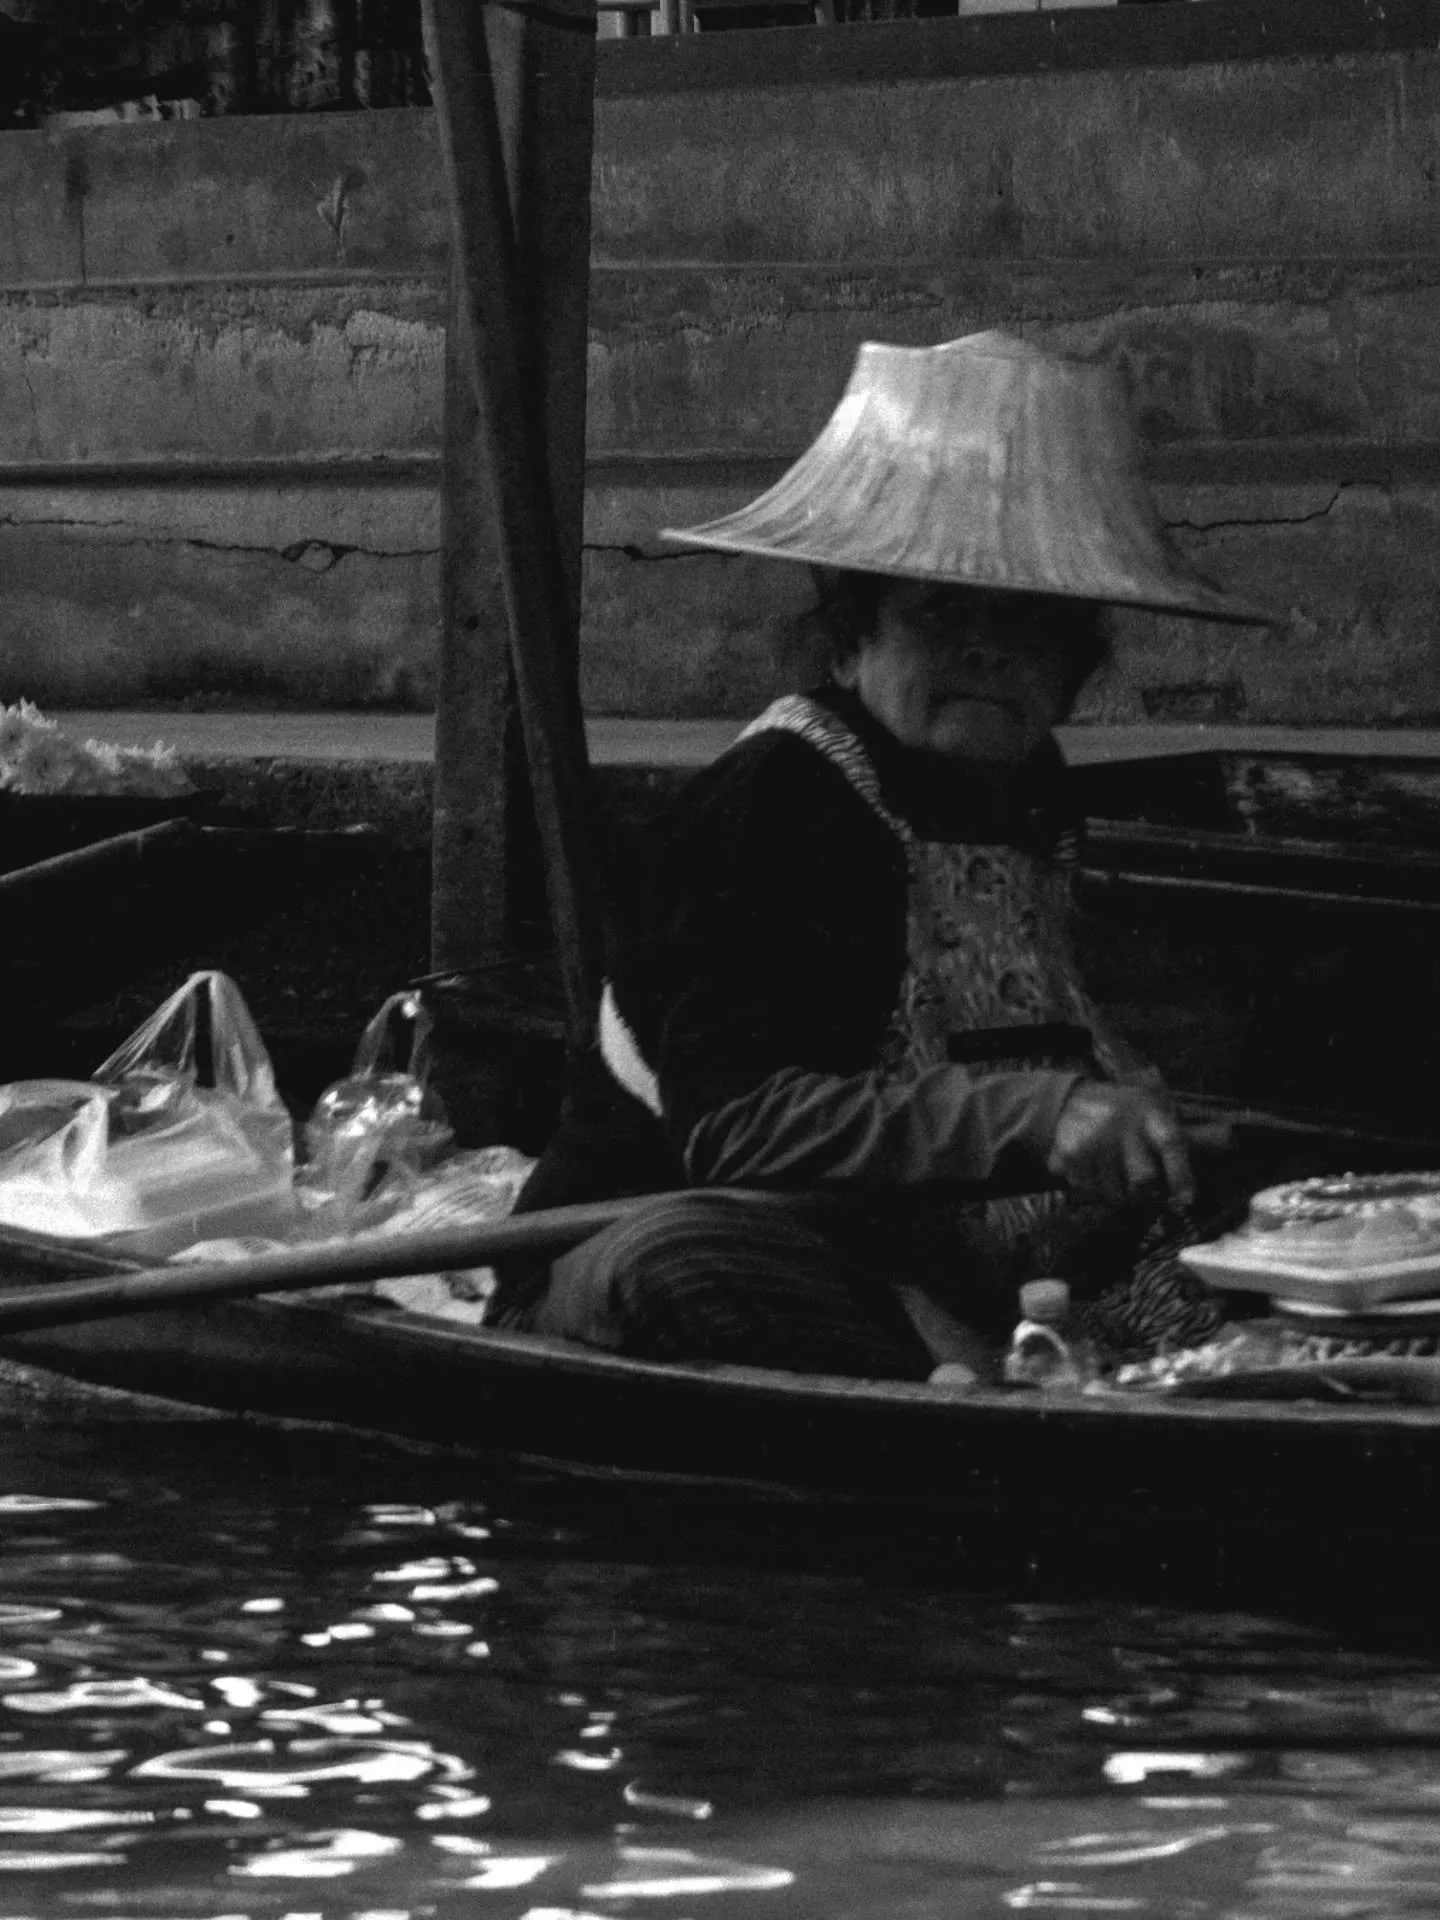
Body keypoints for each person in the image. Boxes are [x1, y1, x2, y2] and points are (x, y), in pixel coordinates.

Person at [488, 332, 1268, 1379]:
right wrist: (1040, 1119)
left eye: (1027, 621)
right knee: (682, 1260)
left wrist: (1145, 1144)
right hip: (665, 1249)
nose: (985, 650)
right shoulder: (780, 800)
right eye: (942, 613)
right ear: (853, 637)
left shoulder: (1032, 797)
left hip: (938, 1264)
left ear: (1077, 665)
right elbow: (743, 1131)